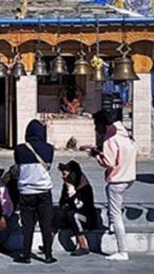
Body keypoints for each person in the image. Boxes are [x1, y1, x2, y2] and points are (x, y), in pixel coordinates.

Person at [89, 111, 136, 261]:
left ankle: (123, 251)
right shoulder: (125, 136)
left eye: (97, 124)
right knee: (115, 209)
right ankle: (111, 225)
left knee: (116, 216)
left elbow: (108, 162)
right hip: (128, 177)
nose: (97, 128)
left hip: (117, 179)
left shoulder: (111, 140)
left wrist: (96, 155)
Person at [13, 119, 56, 264]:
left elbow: (18, 166)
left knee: (27, 226)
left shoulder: (19, 149)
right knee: (46, 225)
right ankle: (48, 255)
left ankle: (26, 255)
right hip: (44, 192)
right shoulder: (49, 149)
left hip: (26, 193)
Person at [52, 160, 96, 256]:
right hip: (69, 215)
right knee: (58, 211)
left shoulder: (85, 188)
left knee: (73, 214)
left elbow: (80, 206)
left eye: (65, 174)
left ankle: (83, 245)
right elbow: (62, 202)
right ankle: (47, 243)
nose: (63, 177)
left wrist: (72, 194)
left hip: (86, 218)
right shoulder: (66, 185)